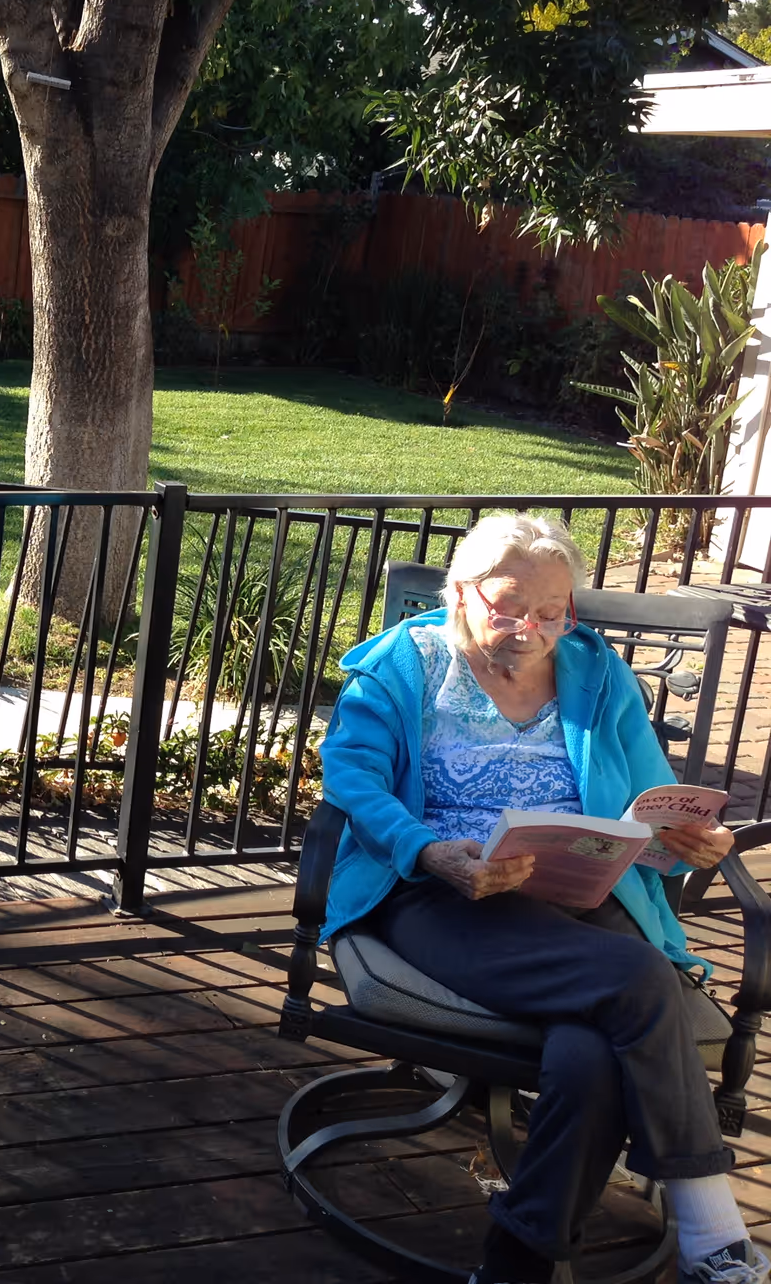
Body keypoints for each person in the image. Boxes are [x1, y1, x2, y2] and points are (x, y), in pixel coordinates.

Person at [320, 512, 765, 1284]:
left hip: (582, 890)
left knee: (589, 1058)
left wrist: (685, 840)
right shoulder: (406, 663)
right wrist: (428, 850)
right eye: (509, 606)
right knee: (638, 982)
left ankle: (514, 1266)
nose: (533, 627)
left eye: (553, 612)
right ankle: (710, 1220)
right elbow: (350, 777)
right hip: (444, 890)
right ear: (460, 592)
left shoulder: (595, 671)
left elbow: (646, 794)